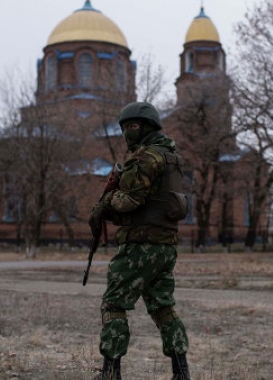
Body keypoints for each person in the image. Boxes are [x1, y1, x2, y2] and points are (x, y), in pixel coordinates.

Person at [89, 101, 191, 380]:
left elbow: (128, 201)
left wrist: (107, 200)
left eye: (132, 126)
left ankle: (110, 374)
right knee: (163, 307)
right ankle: (182, 374)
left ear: (147, 127)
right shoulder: (172, 157)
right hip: (166, 246)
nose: (127, 133)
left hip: (140, 247)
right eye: (123, 128)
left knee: (114, 305)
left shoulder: (145, 157)